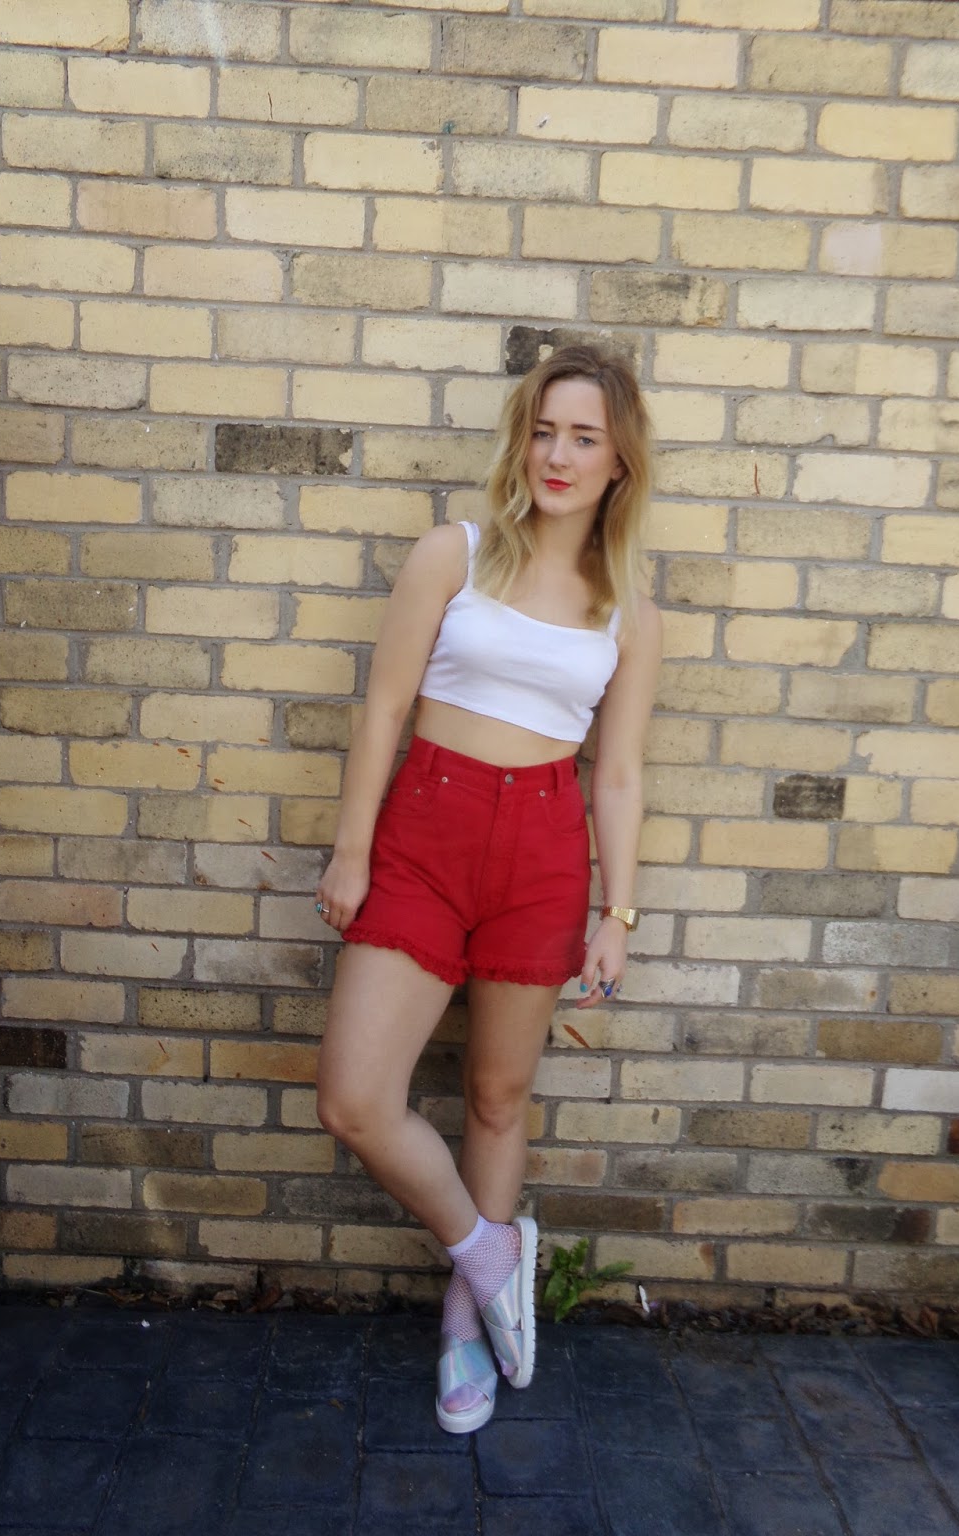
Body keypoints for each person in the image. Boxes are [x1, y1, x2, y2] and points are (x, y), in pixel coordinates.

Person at [314, 343, 662, 1434]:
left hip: (544, 854)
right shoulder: (451, 554)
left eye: (584, 438)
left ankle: (465, 1322)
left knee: (497, 1097)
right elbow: (383, 709)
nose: (558, 455)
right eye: (544, 430)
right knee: (354, 1098)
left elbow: (617, 772)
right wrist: (352, 849)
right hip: (426, 833)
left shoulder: (629, 608)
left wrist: (617, 913)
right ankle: (491, 1252)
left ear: (618, 462)